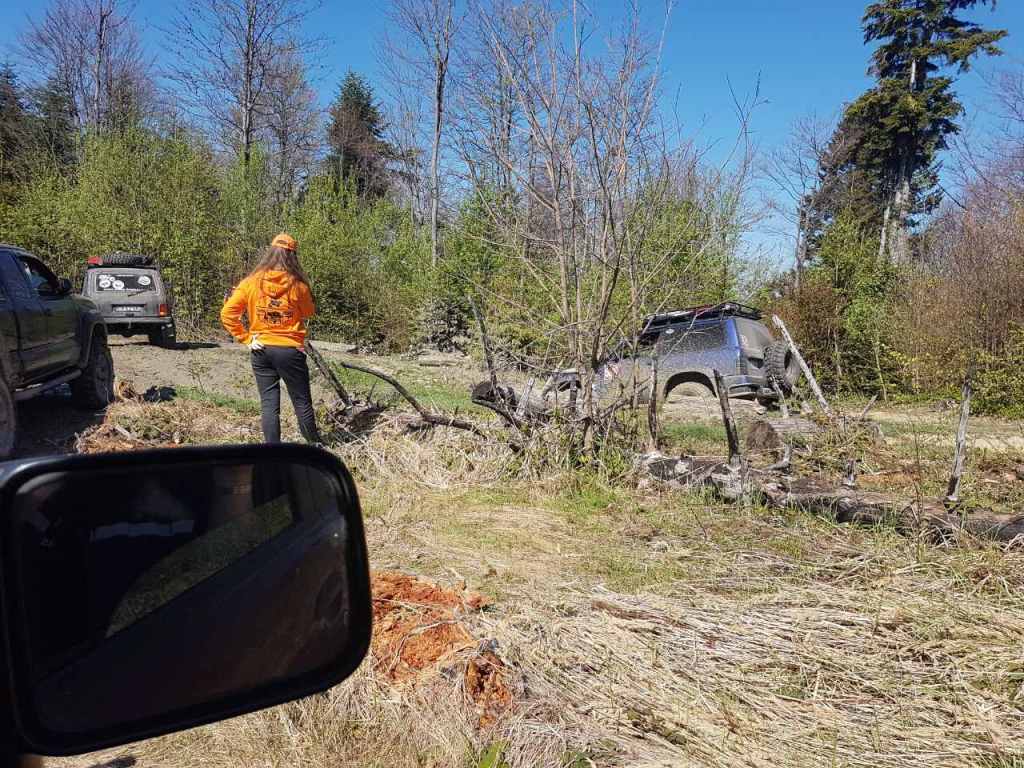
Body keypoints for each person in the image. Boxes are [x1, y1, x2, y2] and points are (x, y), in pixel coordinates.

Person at [221, 233, 320, 444]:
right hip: (290, 350)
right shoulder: (298, 285)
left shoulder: (250, 282)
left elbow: (227, 313)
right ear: (293, 255)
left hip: (261, 349)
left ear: (270, 252)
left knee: (268, 403)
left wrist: (246, 339)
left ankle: (272, 452)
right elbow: (309, 312)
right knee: (301, 402)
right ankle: (315, 447)